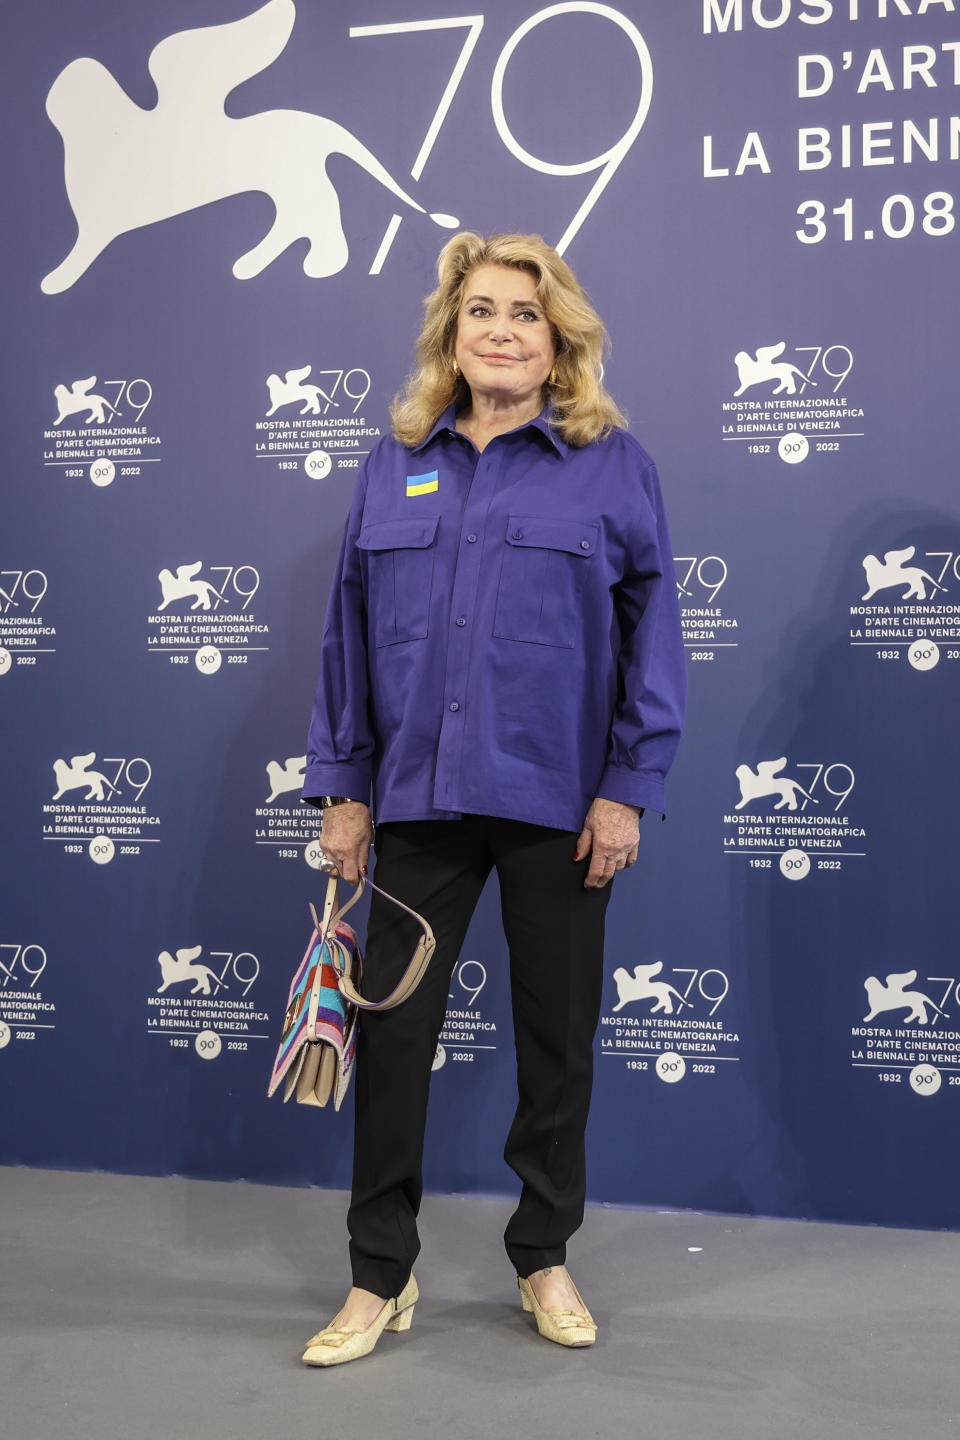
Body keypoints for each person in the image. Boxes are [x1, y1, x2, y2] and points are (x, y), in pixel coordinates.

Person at [299, 232, 686, 1365]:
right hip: (417, 801)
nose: (502, 329)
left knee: (558, 1042)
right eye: (480, 311)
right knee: (394, 1038)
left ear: (559, 339)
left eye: (524, 311)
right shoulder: (397, 458)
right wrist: (343, 787)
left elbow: (651, 638)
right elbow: (347, 639)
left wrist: (627, 789)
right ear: (451, 335)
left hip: (560, 807)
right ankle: (380, 1275)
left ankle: (542, 1252)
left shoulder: (613, 464)